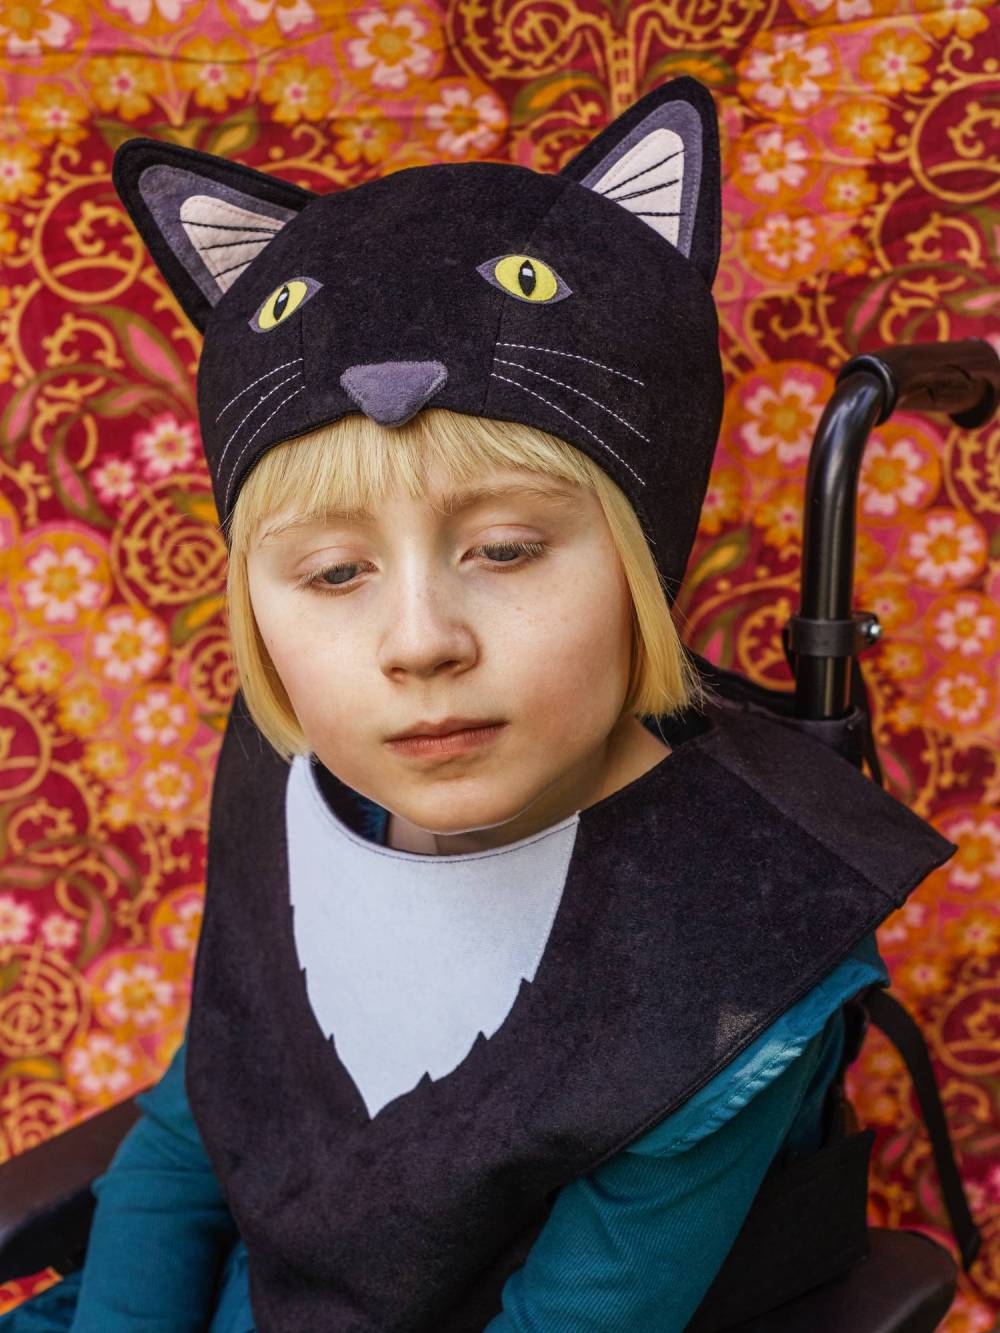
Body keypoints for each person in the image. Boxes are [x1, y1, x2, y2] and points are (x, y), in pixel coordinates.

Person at [0, 74, 954, 1331]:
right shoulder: (300, 785)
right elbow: (199, 1124)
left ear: (636, 570)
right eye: (335, 574)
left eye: (503, 551)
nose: (419, 643)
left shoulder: (730, 956)